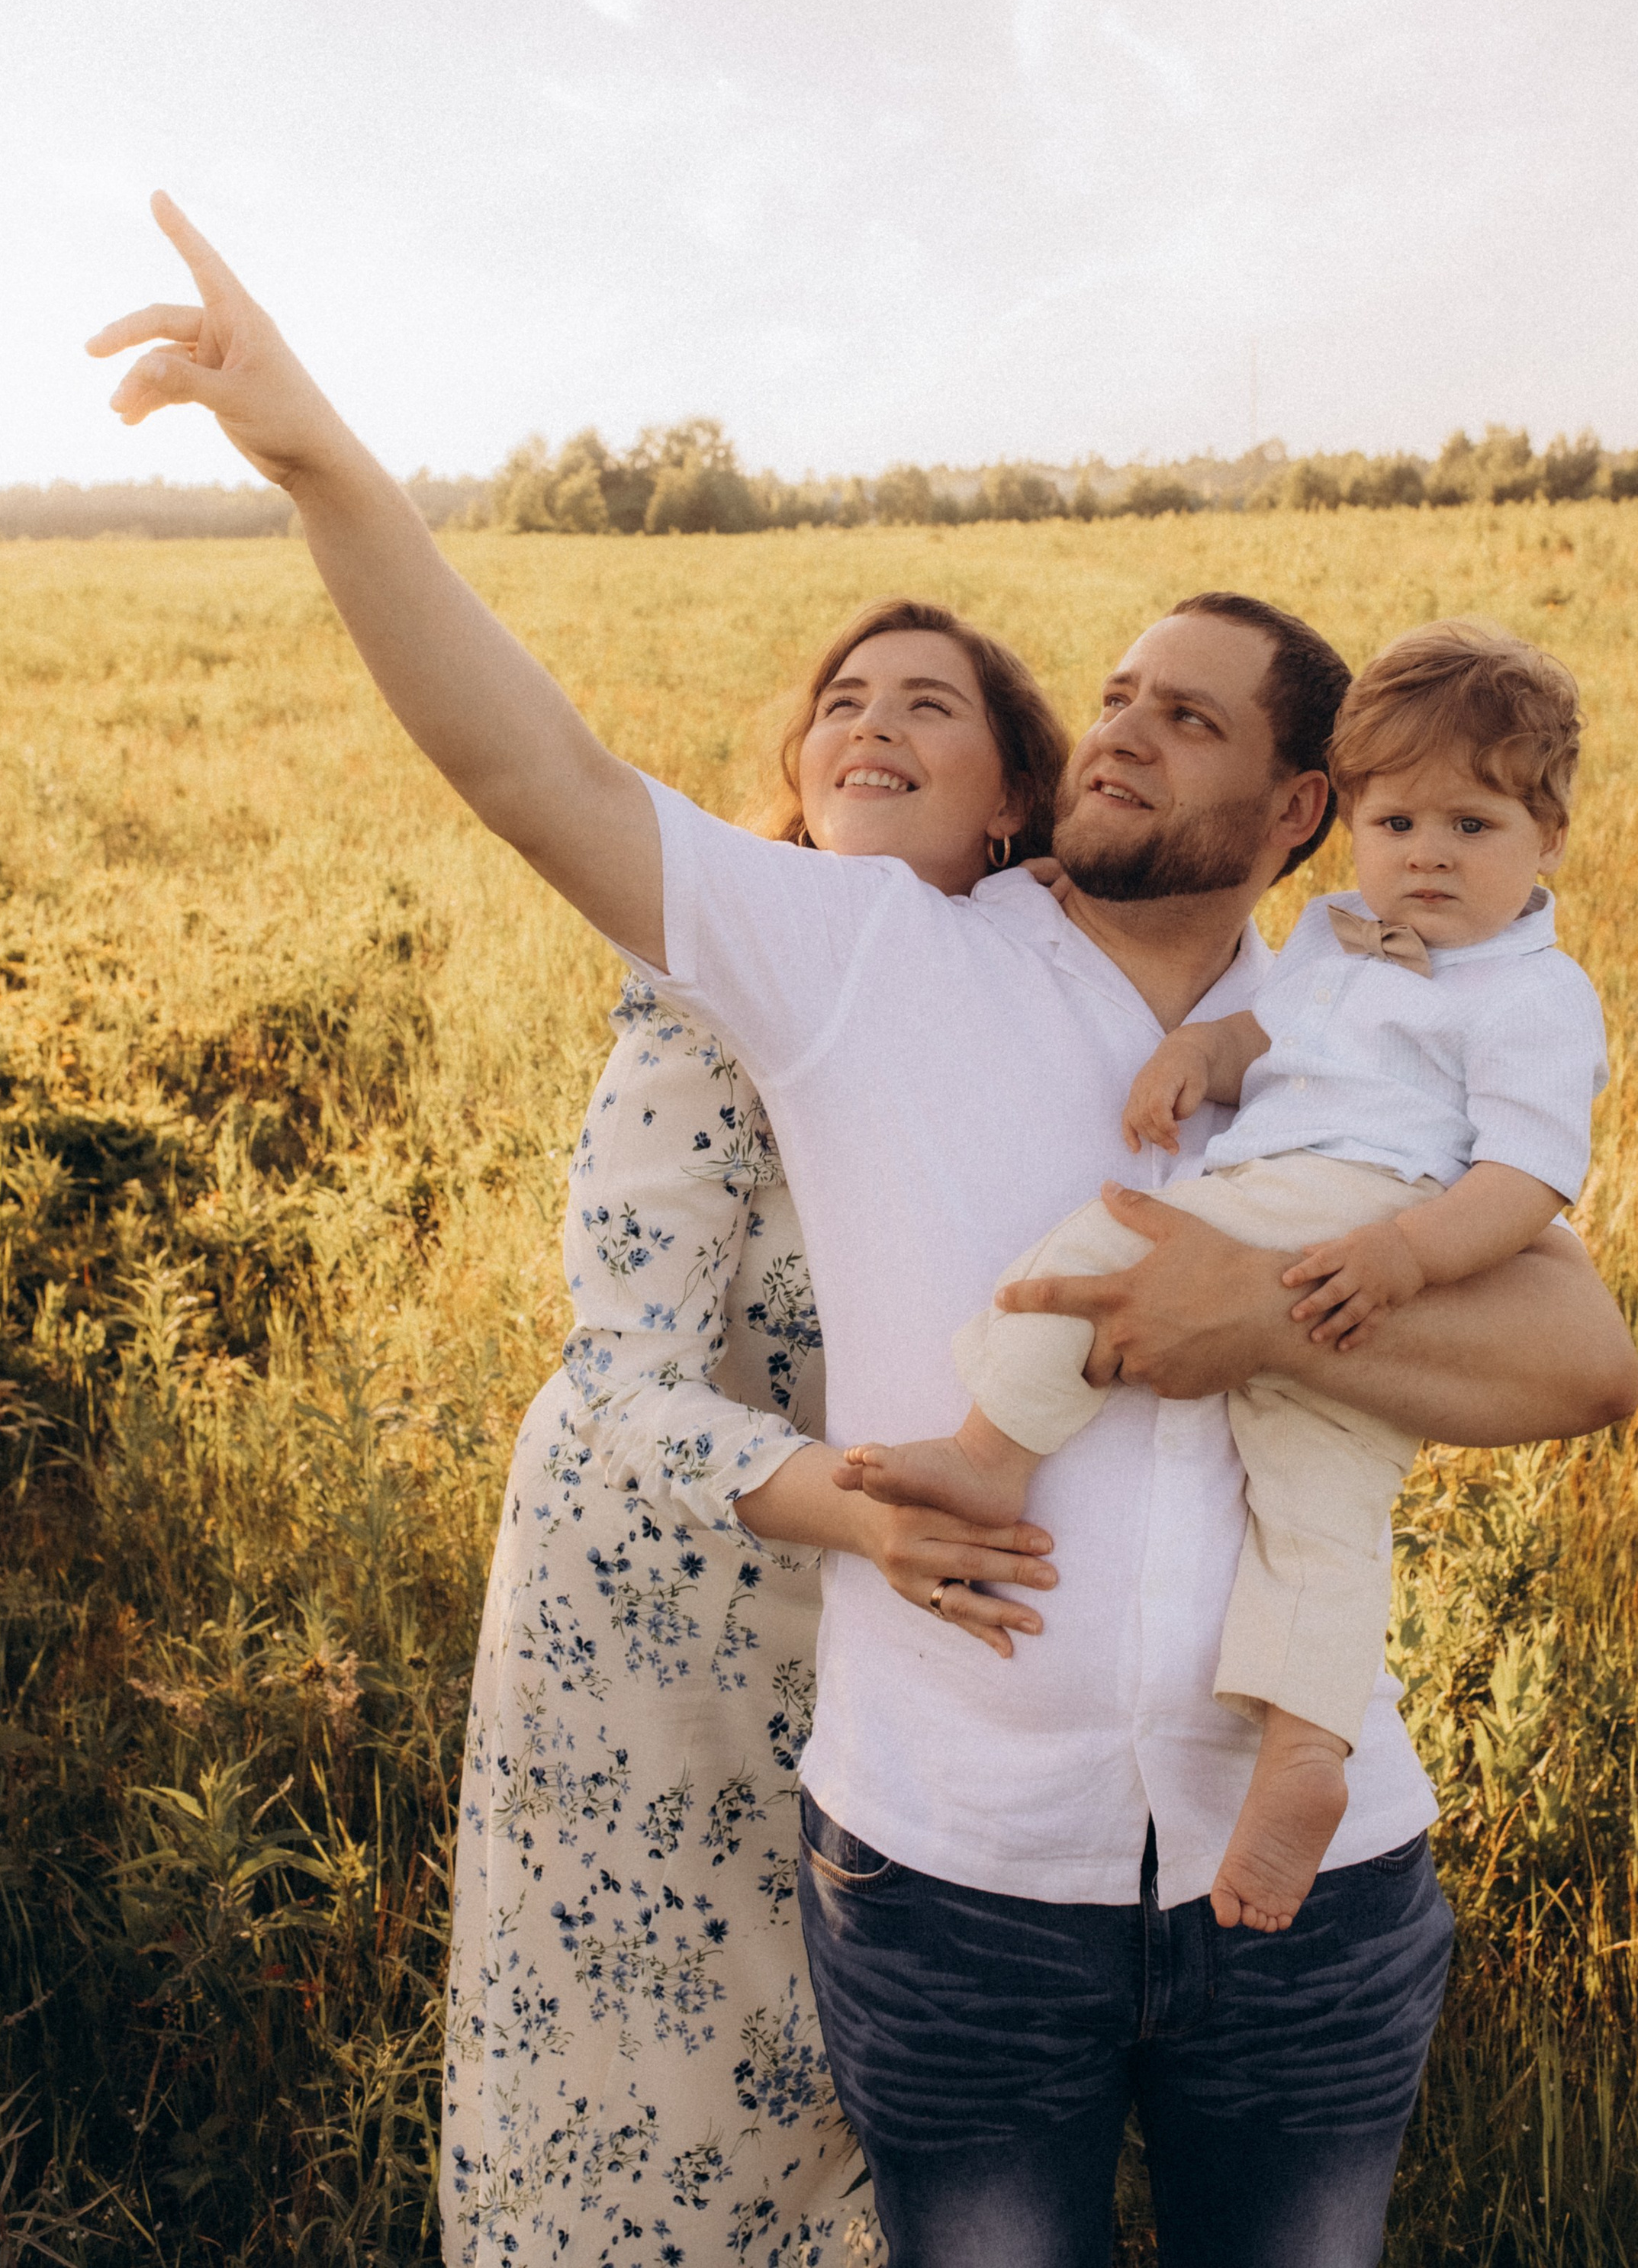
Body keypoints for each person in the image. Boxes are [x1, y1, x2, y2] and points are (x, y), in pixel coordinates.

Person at [88, 196, 1638, 2268]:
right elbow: (532, 768)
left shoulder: (1373, 1019)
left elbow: (1585, 1362)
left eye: (1190, 718)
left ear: (1299, 810)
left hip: (1319, 1882)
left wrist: (1246, 1314)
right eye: (1115, 692)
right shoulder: (866, 960)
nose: (1121, 727)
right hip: (955, 1883)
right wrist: (315, 459)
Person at [444, 600, 1069, 2267]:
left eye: (928, 703)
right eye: (842, 699)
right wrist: (866, 1519)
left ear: (1012, 796)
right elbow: (616, 1378)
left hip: (886, 1611)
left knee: (849, 2077)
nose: (871, 722)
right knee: (662, 2080)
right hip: (659, 1607)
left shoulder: (1038, 999)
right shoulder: (719, 987)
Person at [836, 619, 1606, 1939]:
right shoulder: (1339, 936)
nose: (1427, 855)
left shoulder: (1534, 993)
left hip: (1364, 1210)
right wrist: (1203, 1053)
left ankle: (989, 1454)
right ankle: (1306, 1746)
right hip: (1340, 1242)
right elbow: (1274, 1033)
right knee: (1319, 1504)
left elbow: (1530, 1173)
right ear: (1346, 823)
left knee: (1094, 1257)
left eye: (1472, 827)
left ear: (1550, 837)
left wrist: (1404, 1256)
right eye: (1397, 823)